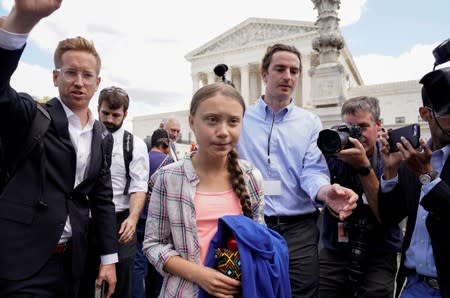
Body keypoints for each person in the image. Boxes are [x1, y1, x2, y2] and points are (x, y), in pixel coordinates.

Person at [0, 1, 118, 297]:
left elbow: (102, 200)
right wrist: (20, 22)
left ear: (97, 82)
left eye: (87, 75)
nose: (79, 82)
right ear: (55, 77)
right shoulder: (31, 114)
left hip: (74, 263)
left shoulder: (103, 135)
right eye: (70, 73)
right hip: (21, 262)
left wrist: (108, 259)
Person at [236, 43, 358, 298]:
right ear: (264, 74)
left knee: (302, 293)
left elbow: (312, 172)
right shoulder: (241, 118)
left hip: (299, 230)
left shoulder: (310, 122)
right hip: (251, 224)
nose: (288, 76)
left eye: (294, 70)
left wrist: (326, 193)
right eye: (280, 69)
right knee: (253, 291)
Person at [143, 82, 266, 297]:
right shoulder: (168, 178)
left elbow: (259, 237)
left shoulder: (251, 177)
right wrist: (199, 274)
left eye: (233, 121)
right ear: (192, 122)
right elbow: (153, 245)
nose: (223, 132)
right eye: (212, 120)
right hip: (184, 291)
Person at [318, 96, 402, 297]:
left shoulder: (391, 157)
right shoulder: (332, 155)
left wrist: (362, 166)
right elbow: (317, 189)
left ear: (378, 124)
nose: (356, 136)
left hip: (379, 252)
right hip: (336, 249)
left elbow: (388, 214)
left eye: (362, 127)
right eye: (349, 128)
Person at [378, 67, 450, 297]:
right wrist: (390, 171)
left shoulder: (419, 164)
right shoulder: (414, 159)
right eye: (449, 112)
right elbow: (390, 217)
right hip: (414, 286)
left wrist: (428, 176)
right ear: (425, 113)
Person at [79, 87, 150, 298]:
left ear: (125, 114)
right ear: (98, 109)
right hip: (86, 222)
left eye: (115, 115)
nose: (109, 119)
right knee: (83, 281)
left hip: (121, 224)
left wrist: (133, 218)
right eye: (105, 113)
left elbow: (139, 185)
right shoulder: (84, 138)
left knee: (121, 286)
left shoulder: (134, 144)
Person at [132, 128, 173, 298]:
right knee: (157, 266)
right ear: (165, 143)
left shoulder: (142, 158)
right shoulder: (169, 161)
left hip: (138, 218)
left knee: (138, 266)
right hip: (158, 222)